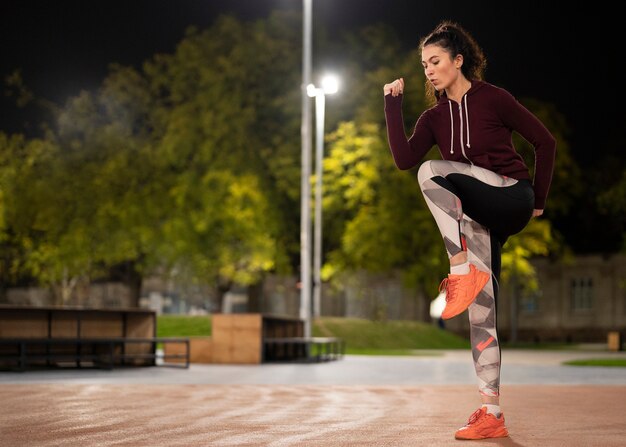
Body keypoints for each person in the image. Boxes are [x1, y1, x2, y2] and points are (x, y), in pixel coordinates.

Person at [383, 21, 556, 440]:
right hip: (478, 218)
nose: (428, 70)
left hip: (512, 196)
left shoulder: (493, 99)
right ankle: (491, 412)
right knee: (482, 314)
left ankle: (459, 267)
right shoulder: (434, 117)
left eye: (436, 61)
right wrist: (392, 104)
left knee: (432, 170)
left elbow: (545, 142)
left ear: (458, 61)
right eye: (424, 64)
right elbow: (404, 158)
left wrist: (537, 202)